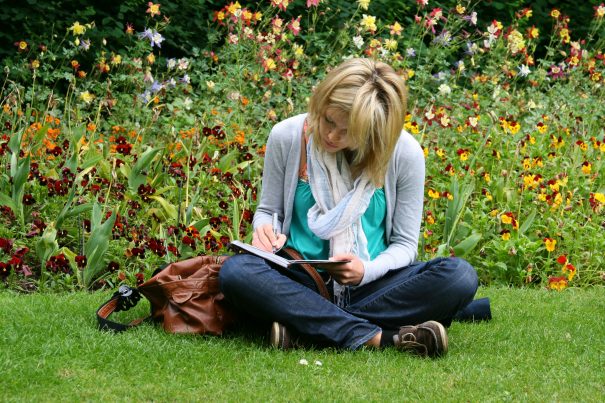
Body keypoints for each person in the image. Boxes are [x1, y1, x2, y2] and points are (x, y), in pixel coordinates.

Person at [219, 57, 483, 357]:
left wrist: (365, 271)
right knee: (236, 272)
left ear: (374, 131)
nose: (331, 135)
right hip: (301, 278)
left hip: (372, 284)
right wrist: (263, 230)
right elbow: (267, 210)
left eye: (347, 131)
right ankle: (381, 338)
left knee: (459, 276)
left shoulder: (404, 153)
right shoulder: (287, 135)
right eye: (328, 120)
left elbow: (404, 245)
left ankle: (305, 325)